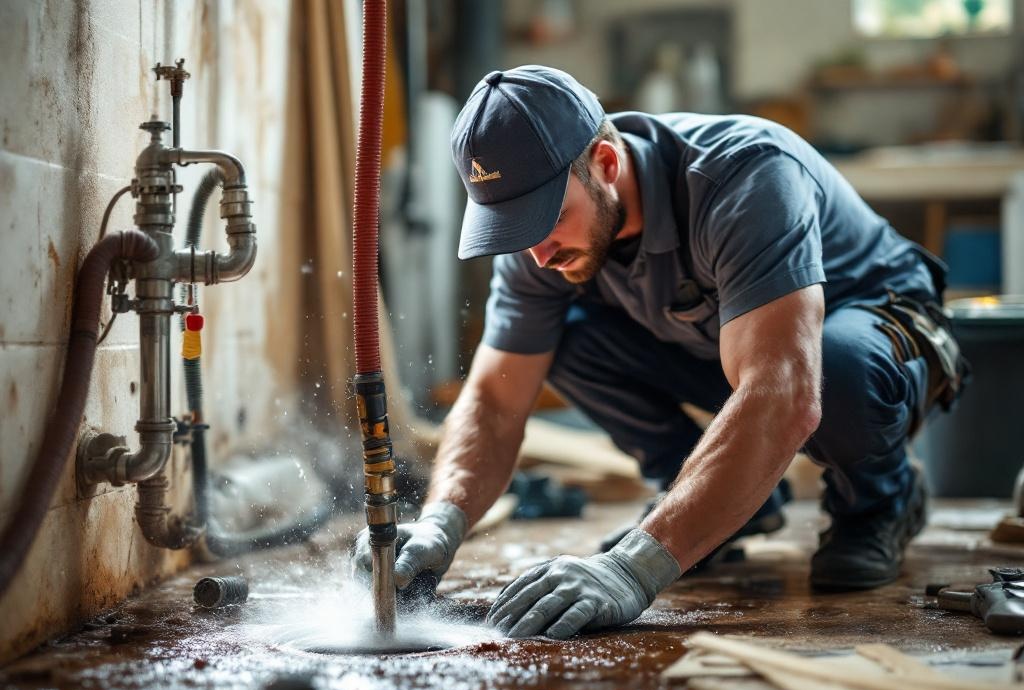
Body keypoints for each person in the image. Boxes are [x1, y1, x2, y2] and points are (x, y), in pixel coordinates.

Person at [354, 65, 966, 640]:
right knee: (557, 337)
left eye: (547, 218)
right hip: (729, 344)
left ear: (606, 162)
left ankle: (881, 500)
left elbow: (784, 391)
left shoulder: (744, 177)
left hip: (870, 332)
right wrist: (441, 521)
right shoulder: (542, 240)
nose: (536, 252)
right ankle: (721, 508)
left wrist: (635, 568)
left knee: (835, 370)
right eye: (511, 228)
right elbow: (493, 397)